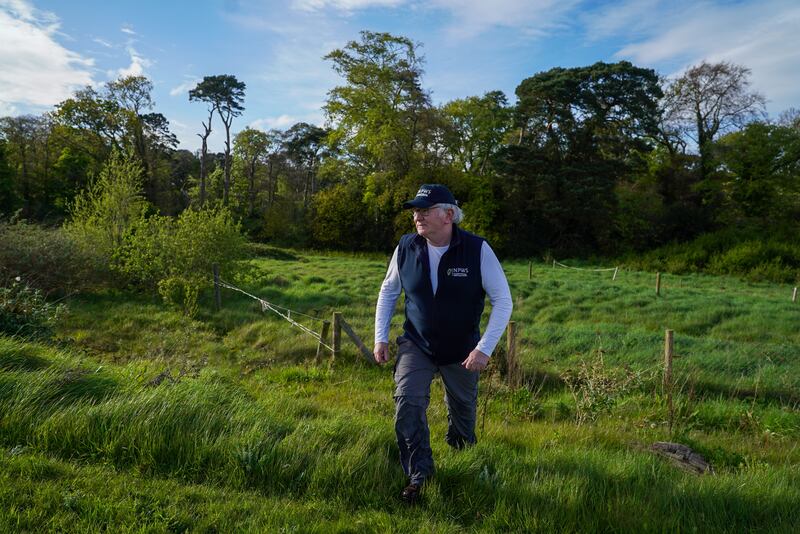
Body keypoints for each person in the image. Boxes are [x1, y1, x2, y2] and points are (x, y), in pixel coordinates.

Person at [373, 184, 513, 504]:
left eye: (425, 210)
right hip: (416, 344)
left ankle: (462, 457)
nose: (417, 217)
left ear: (449, 214)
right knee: (408, 403)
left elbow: (503, 301)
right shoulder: (406, 247)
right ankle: (419, 476)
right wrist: (381, 336)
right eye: (415, 211)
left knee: (463, 416)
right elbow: (388, 291)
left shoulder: (477, 249)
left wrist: (484, 349)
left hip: (463, 349)